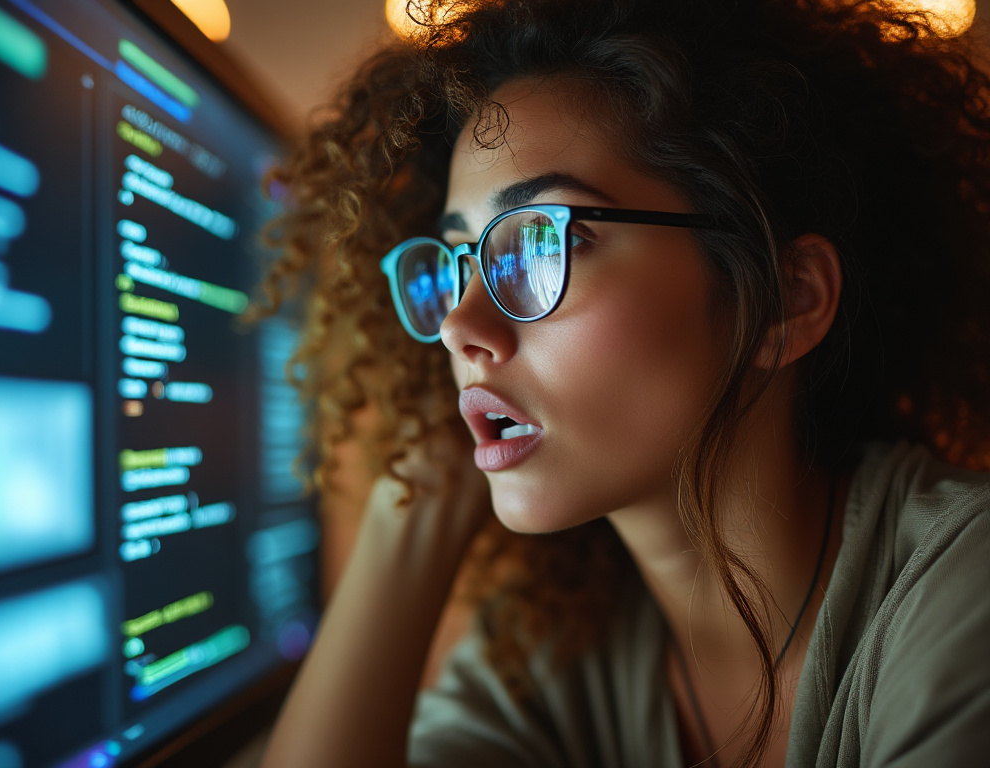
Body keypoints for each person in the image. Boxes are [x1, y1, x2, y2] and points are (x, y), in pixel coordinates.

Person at [255, 1, 990, 765]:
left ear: (782, 297)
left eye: (540, 243)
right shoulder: (554, 663)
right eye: (459, 261)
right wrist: (405, 517)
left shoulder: (965, 593)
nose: (458, 325)